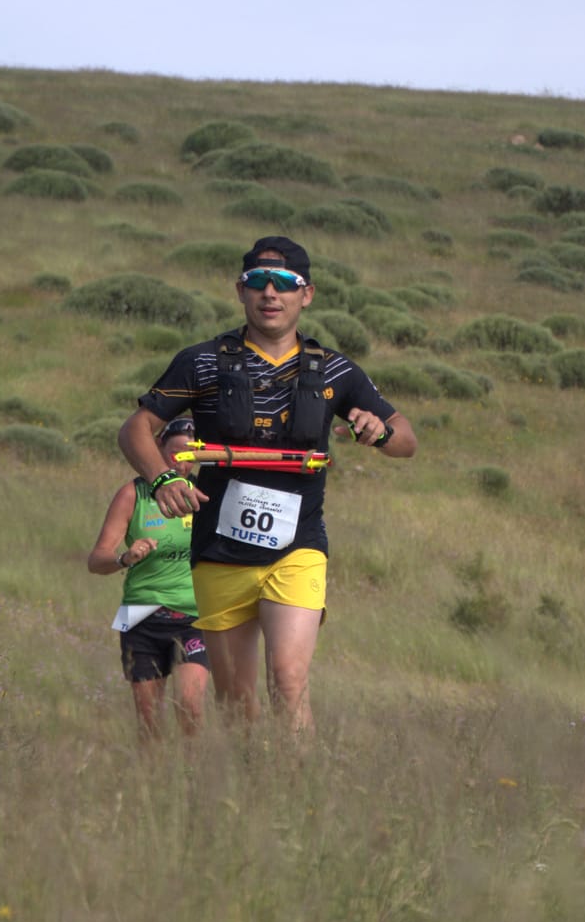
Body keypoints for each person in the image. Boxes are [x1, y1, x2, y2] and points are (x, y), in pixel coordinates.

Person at [117, 235, 415, 732]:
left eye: (285, 284)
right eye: (258, 282)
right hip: (218, 552)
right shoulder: (202, 361)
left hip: (297, 547)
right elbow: (135, 429)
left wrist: (379, 430)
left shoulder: (335, 369)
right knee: (237, 706)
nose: (270, 293)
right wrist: (163, 476)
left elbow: (406, 438)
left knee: (289, 681)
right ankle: (256, 793)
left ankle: (302, 799)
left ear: (308, 294)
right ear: (241, 290)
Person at [86, 415, 210, 741]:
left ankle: (190, 780)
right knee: (149, 724)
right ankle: (152, 786)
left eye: (192, 455)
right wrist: (124, 557)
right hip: (139, 614)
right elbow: (96, 560)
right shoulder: (133, 494)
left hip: (193, 616)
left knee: (190, 707)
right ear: (157, 448)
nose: (183, 463)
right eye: (177, 453)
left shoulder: (205, 494)